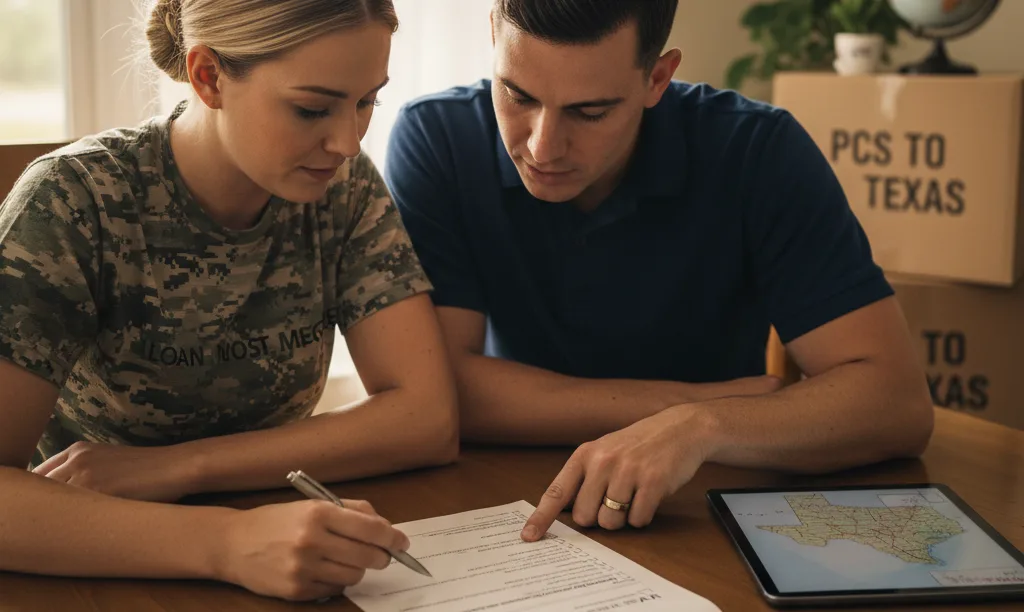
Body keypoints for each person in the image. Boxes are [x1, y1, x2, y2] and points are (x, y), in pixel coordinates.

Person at [384, 0, 934, 544]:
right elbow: (440, 393)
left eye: (590, 111)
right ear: (493, 37)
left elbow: (897, 404)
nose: (540, 146)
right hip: (505, 500)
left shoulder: (757, 150)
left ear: (658, 77)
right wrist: (686, 404)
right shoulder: (436, 139)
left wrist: (702, 426)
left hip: (703, 497)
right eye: (516, 94)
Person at [0, 0, 457, 602]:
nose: (347, 141)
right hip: (99, 552)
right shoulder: (75, 200)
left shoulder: (340, 189)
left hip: (281, 540)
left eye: (367, 100)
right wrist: (227, 542)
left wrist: (182, 465)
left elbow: (426, 419)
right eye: (312, 108)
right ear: (209, 76)